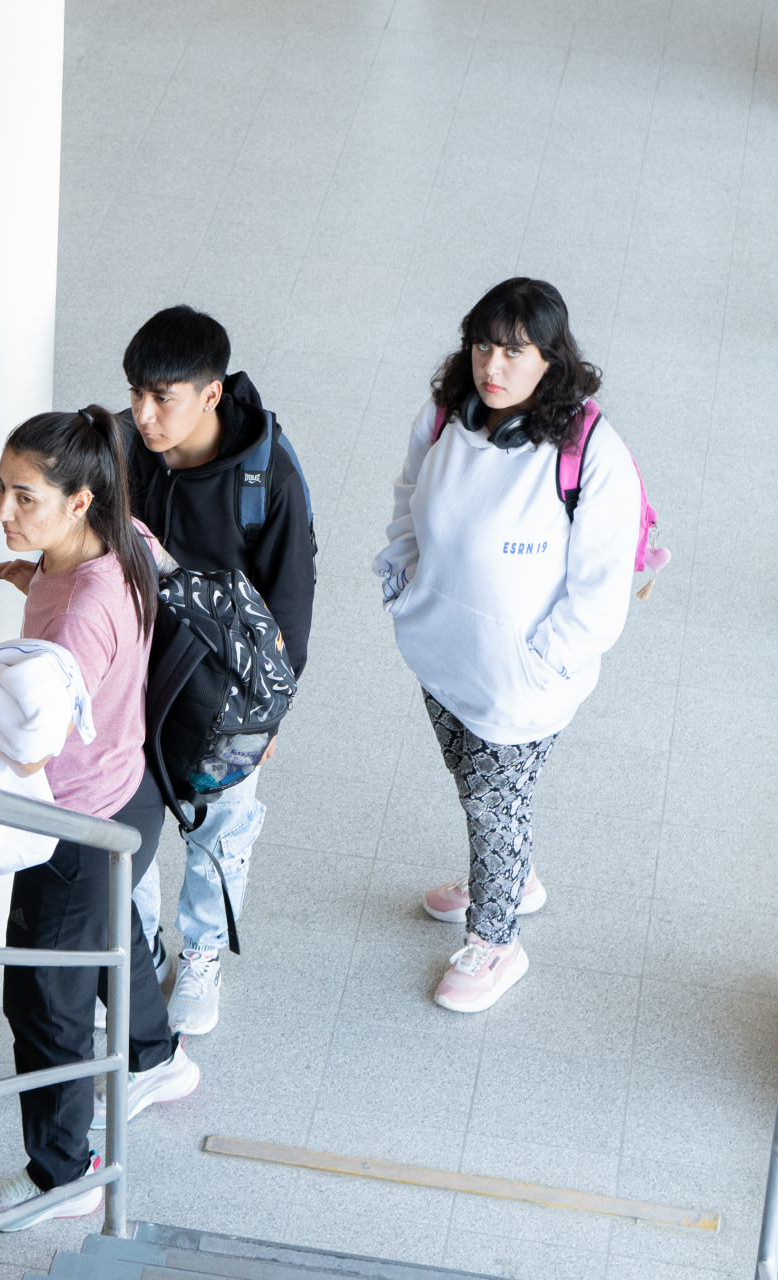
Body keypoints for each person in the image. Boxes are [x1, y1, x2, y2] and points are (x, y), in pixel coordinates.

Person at [0, 407, 199, 1231]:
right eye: (2, 488)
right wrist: (35, 578)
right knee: (115, 934)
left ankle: (65, 1176)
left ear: (78, 502)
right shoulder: (122, 538)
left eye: (24, 498)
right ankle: (155, 1057)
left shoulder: (79, 616)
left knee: (41, 1003)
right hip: (127, 791)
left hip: (74, 817)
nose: (3, 511)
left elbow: (29, 751)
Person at [373, 278, 640, 1013]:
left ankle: (497, 939)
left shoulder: (592, 452)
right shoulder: (444, 417)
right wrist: (403, 583)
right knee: (481, 791)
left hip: (520, 681)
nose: (494, 365)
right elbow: (408, 498)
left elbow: (601, 590)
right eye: (484, 345)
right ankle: (508, 870)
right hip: (441, 654)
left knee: (495, 804)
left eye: (515, 351)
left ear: (551, 359)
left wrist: (539, 662)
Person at [120, 306, 317, 1036]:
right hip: (133, 680)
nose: (143, 413)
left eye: (162, 397)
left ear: (211, 393)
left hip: (223, 697)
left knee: (219, 832)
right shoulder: (123, 447)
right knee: (126, 823)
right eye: (136, 392)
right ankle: (139, 948)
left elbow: (291, 606)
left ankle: (200, 955)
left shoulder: (268, 477)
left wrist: (268, 718)